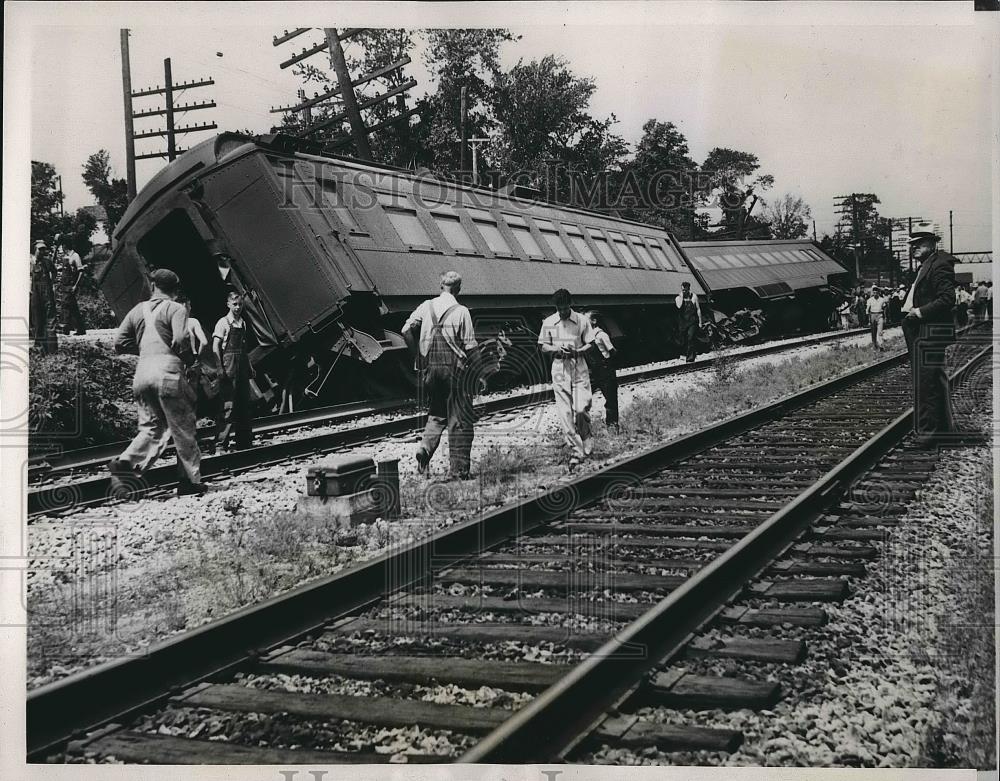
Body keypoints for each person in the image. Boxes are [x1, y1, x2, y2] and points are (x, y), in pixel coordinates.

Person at [109, 268, 206, 495]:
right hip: (168, 372)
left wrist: (144, 350)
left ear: (153, 286)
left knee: (151, 426)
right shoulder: (177, 308)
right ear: (175, 289)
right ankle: (190, 482)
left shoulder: (137, 310)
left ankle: (126, 462)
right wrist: (189, 360)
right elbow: (181, 339)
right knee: (183, 428)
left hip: (142, 372)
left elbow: (119, 343)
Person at [403, 270, 479, 479]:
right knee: (459, 419)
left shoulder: (426, 306)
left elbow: (405, 330)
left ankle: (425, 449)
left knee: (437, 413)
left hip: (431, 370)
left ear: (440, 286)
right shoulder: (461, 310)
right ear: (458, 289)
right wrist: (480, 372)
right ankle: (458, 470)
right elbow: (471, 346)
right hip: (455, 371)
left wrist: (418, 357)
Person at [900, 231, 959, 447]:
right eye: (912, 244)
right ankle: (945, 430)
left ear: (932, 244)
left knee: (925, 384)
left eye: (919, 243)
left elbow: (947, 298)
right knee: (936, 380)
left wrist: (919, 312)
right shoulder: (928, 264)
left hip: (930, 331)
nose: (913, 247)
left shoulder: (939, 265)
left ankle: (927, 435)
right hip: (927, 331)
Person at [539, 289, 595, 465]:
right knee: (565, 413)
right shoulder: (549, 322)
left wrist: (577, 351)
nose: (562, 312)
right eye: (559, 309)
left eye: (565, 308)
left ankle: (586, 439)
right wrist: (555, 349)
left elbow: (590, 344)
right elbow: (543, 346)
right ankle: (576, 452)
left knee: (580, 409)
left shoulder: (582, 320)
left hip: (578, 366)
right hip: (559, 368)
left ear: (570, 305)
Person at [213, 289, 256, 451]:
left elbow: (243, 348)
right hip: (229, 367)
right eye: (234, 304)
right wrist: (220, 368)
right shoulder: (223, 322)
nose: (237, 307)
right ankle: (220, 445)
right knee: (228, 406)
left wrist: (250, 367)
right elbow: (215, 346)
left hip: (242, 367)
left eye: (240, 304)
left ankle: (244, 443)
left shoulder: (242, 323)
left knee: (244, 405)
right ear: (228, 304)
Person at [585, 311, 619, 432]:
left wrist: (608, 362)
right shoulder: (589, 337)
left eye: (586, 319)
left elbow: (612, 350)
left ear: (594, 321)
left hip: (605, 369)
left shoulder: (601, 335)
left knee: (610, 400)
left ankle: (613, 426)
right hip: (595, 370)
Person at [52, 235, 87, 335]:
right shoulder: (65, 257)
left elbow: (81, 271)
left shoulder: (75, 256)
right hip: (64, 285)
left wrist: (76, 285)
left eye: (63, 245)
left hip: (71, 285)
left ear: (66, 245)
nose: (62, 248)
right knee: (72, 307)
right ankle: (80, 329)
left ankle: (65, 328)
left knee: (65, 304)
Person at [29, 239, 58, 354]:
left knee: (50, 320)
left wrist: (52, 283)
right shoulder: (30, 262)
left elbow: (54, 272)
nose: (42, 252)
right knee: (37, 320)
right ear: (35, 250)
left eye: (43, 249)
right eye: (40, 250)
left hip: (47, 293)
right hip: (35, 294)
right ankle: (39, 348)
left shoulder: (47, 262)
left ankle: (52, 350)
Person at [675, 281, 703, 362]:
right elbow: (679, 306)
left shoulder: (694, 297)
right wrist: (681, 297)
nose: (684, 291)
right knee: (683, 340)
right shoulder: (677, 298)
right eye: (683, 290)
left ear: (689, 289)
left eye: (686, 290)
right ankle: (685, 355)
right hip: (683, 322)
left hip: (692, 321)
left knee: (690, 337)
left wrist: (700, 322)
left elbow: (698, 309)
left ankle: (690, 359)